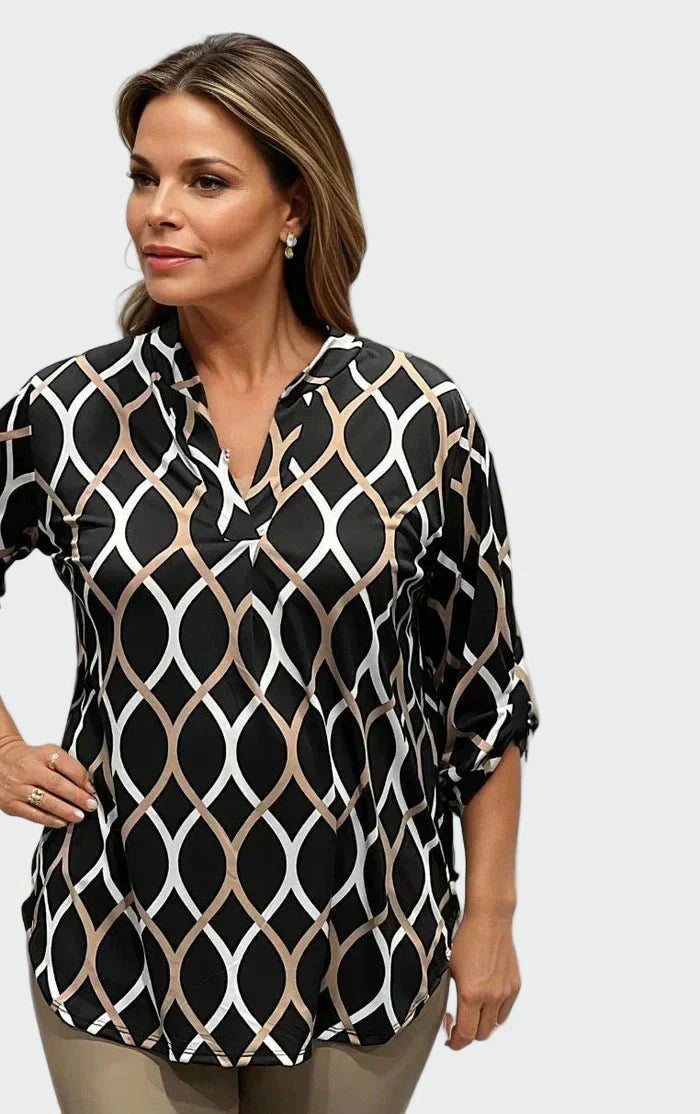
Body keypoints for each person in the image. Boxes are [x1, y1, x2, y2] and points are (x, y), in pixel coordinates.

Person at [0, 31, 540, 1114]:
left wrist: (489, 917)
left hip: (363, 935)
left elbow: (481, 692)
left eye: (204, 182)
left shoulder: (418, 417)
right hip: (119, 933)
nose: (157, 212)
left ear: (295, 206)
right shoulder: (68, 412)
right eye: (144, 178)